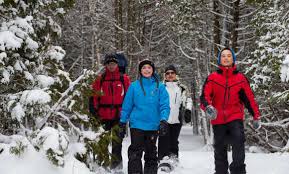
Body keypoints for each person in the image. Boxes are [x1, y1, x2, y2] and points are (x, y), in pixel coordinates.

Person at [200, 47, 261, 174]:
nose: (226, 58)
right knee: (220, 148)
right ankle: (221, 171)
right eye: (223, 56)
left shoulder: (240, 78)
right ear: (219, 59)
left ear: (233, 59)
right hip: (218, 119)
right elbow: (204, 96)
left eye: (229, 56)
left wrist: (256, 116)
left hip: (235, 117)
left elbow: (249, 99)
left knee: (238, 141)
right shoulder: (212, 78)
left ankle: (238, 171)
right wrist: (208, 107)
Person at [119, 59, 170, 174]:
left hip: (153, 125)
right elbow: (127, 106)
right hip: (137, 124)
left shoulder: (160, 87)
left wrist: (163, 120)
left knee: (151, 153)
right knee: (135, 153)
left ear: (153, 70)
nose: (146, 70)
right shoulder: (134, 86)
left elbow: (164, 106)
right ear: (140, 71)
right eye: (144, 68)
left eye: (149, 68)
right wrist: (122, 122)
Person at [90, 53, 131, 171]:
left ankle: (116, 168)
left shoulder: (124, 79)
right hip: (103, 116)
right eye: (109, 64)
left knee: (117, 144)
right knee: (103, 143)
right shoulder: (100, 79)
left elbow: (129, 98)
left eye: (113, 63)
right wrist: (94, 112)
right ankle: (102, 167)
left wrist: (126, 114)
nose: (111, 66)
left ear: (117, 64)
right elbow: (93, 97)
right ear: (106, 65)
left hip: (119, 117)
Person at [158, 65, 191, 163]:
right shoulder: (160, 87)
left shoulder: (182, 88)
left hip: (177, 118)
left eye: (172, 73)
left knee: (174, 140)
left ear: (176, 74)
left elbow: (188, 99)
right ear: (165, 75)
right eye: (168, 73)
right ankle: (162, 160)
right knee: (163, 139)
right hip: (164, 118)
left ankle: (174, 160)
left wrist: (188, 110)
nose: (170, 75)